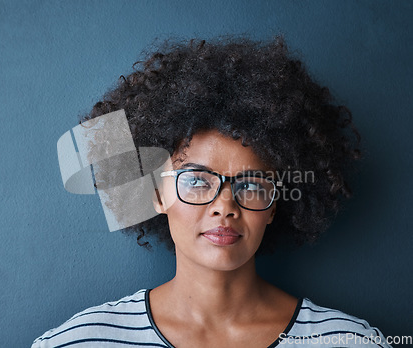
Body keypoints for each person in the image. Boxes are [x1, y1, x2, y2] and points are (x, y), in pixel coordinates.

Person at [32, 36, 391, 347]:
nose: (224, 207)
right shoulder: (79, 342)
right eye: (197, 180)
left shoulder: (348, 341)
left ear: (274, 205)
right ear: (157, 194)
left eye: (250, 185)